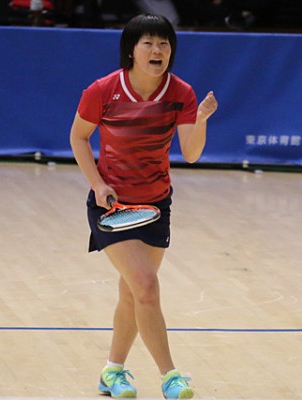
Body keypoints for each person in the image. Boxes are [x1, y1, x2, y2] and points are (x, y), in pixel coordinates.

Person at [69, 13, 218, 400]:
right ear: (131, 51)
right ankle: (171, 376)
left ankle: (112, 371)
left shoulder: (180, 93)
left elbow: (192, 153)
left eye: (165, 44)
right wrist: (97, 184)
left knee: (132, 293)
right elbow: (79, 137)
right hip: (112, 206)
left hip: (155, 205)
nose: (158, 50)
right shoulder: (102, 90)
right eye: (149, 43)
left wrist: (200, 119)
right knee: (147, 288)